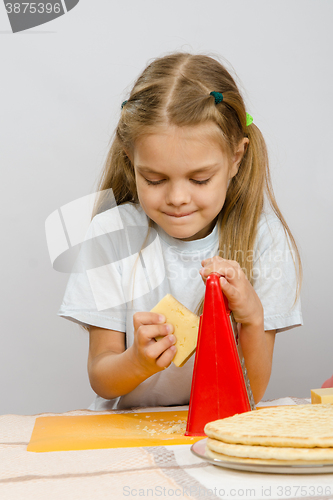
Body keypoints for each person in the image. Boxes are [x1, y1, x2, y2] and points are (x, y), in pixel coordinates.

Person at [59, 52, 302, 410]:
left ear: (236, 158)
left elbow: (253, 391)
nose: (177, 198)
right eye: (154, 179)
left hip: (215, 427)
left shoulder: (263, 239)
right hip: (128, 430)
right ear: (131, 159)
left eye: (199, 179)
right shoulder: (111, 233)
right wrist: (135, 362)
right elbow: (102, 376)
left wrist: (251, 318)